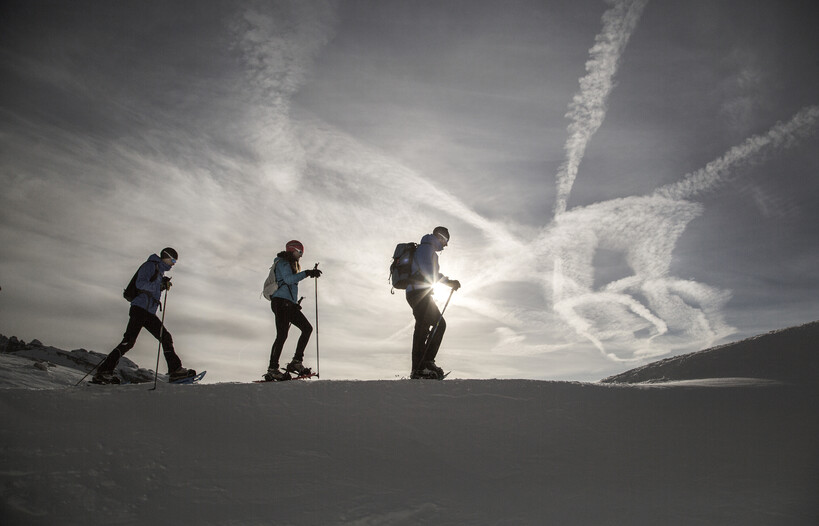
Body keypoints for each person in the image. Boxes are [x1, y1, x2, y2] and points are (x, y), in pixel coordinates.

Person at [93, 248, 195, 384]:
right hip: (139, 309)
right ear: (166, 257)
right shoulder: (150, 266)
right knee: (129, 342)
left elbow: (151, 288)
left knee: (165, 337)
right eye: (173, 260)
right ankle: (103, 372)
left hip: (148, 312)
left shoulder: (159, 271)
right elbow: (140, 283)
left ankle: (175, 371)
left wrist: (161, 285)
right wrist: (159, 284)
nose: (173, 263)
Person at [406, 226, 460, 379]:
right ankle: (423, 365)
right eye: (446, 240)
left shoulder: (427, 248)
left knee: (424, 327)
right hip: (418, 293)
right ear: (440, 237)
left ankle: (420, 366)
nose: (446, 245)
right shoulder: (426, 248)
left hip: (418, 292)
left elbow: (430, 273)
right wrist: (448, 282)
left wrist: (447, 282)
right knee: (437, 325)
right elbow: (429, 272)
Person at [264, 240, 322, 381]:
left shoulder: (288, 264)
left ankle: (296, 362)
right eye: (300, 252)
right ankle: (273, 368)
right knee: (283, 335)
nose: (301, 255)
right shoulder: (283, 263)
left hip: (287, 304)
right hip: (281, 303)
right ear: (293, 250)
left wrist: (294, 304)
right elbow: (289, 280)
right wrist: (307, 273)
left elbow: (288, 285)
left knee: (306, 329)